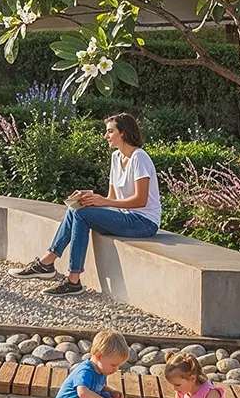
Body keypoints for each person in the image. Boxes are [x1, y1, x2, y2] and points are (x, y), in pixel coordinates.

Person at [12, 113, 160, 296]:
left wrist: (103, 201)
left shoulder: (140, 158)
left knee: (82, 215)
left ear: (123, 133)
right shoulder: (116, 157)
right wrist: (90, 196)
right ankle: (47, 263)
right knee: (77, 208)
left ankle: (73, 280)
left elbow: (140, 200)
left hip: (143, 222)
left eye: (110, 131)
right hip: (124, 216)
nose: (106, 136)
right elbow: (113, 196)